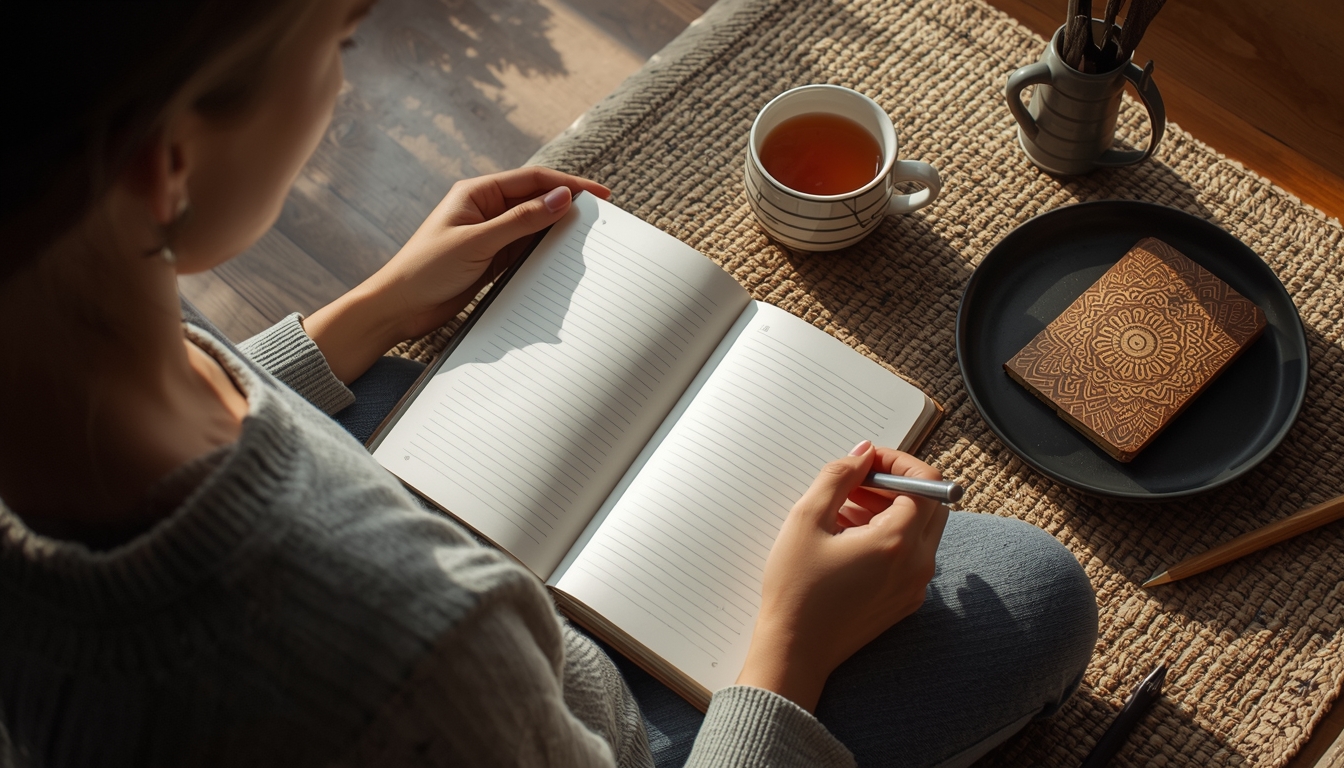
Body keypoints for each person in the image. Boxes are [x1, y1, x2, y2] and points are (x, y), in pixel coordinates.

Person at [0, 1, 1098, 766]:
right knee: (1033, 589)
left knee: (420, 386)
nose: (339, 82)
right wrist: (787, 653)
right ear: (165, 165)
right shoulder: (419, 661)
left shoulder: (49, 270)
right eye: (338, 39)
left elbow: (197, 381)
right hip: (560, 717)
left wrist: (369, 314)